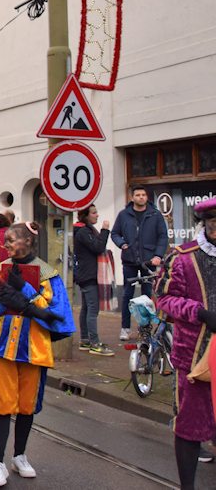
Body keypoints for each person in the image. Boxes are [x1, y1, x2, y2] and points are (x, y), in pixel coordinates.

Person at [0, 222, 75, 488]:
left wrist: (24, 289)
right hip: (5, 344)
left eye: (11, 240)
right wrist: (6, 291)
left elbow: (55, 312)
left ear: (28, 242)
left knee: (27, 405)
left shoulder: (48, 274)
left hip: (35, 347)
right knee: (2, 404)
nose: (6, 245)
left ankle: (19, 456)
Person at [156, 196, 216, 490]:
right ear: (205, 223)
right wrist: (200, 313)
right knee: (191, 426)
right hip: (194, 356)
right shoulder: (181, 257)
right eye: (215, 222)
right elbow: (164, 299)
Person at [112, 185, 169, 341]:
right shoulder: (124, 215)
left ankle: (145, 329)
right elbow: (115, 233)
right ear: (132, 197)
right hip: (129, 260)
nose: (141, 197)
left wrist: (158, 255)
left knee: (146, 295)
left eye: (144, 195)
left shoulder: (155, 215)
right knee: (127, 294)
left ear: (147, 197)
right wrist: (121, 243)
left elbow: (163, 236)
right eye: (138, 195)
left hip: (149, 260)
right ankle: (125, 328)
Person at [73, 204, 114, 356]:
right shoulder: (83, 231)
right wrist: (105, 231)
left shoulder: (83, 230)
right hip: (89, 274)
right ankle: (94, 344)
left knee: (85, 308)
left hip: (85, 274)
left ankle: (85, 340)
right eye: (94, 213)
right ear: (86, 215)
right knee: (92, 309)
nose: (97, 215)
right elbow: (97, 247)